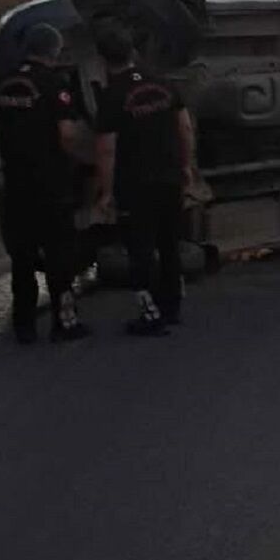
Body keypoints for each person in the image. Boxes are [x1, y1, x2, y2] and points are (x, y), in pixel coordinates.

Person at [0, 23, 90, 343]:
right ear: (54, 52)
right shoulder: (55, 83)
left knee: (23, 258)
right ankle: (64, 322)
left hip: (15, 183)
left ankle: (24, 326)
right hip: (51, 183)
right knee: (59, 255)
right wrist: (82, 160)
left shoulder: (3, 82)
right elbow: (67, 135)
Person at [93, 29, 194, 336]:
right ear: (133, 52)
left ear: (103, 60)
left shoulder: (112, 96)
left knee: (140, 250)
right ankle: (172, 308)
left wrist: (106, 192)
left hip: (135, 185)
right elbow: (185, 128)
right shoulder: (164, 83)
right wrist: (186, 166)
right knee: (169, 245)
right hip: (170, 178)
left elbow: (107, 149)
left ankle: (150, 315)